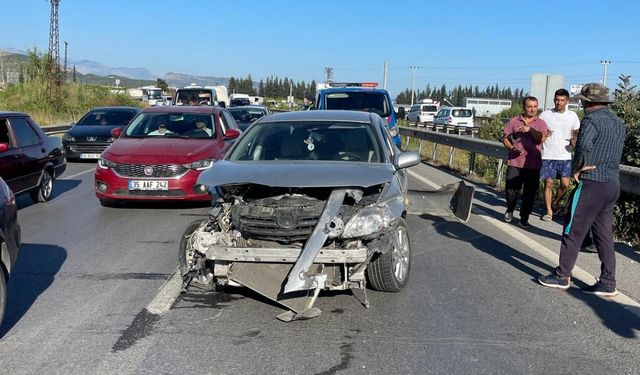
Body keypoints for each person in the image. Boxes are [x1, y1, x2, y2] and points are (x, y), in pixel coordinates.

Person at [538, 83, 626, 296]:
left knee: (572, 228)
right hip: (612, 183)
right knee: (603, 234)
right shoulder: (618, 122)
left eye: (583, 101)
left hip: (592, 183)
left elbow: (584, 146)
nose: (582, 104)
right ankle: (608, 281)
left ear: (589, 102)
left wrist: (576, 169)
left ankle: (561, 275)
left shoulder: (591, 120)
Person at [502, 96, 548, 227]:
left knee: (530, 193)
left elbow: (541, 139)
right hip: (515, 162)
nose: (532, 109)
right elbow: (505, 137)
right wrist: (511, 147)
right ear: (524, 107)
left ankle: (524, 218)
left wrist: (530, 130)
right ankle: (510, 209)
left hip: (533, 164)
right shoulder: (514, 121)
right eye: (529, 107)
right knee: (511, 191)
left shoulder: (541, 123)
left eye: (535, 106)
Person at [538, 89, 581, 221]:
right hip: (548, 154)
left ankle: (556, 202)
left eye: (562, 100)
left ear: (567, 101)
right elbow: (538, 130)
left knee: (565, 184)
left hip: (565, 155)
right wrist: (544, 134)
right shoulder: (545, 115)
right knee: (549, 182)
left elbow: (577, 134)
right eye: (557, 100)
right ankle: (549, 212)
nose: (559, 103)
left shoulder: (573, 116)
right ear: (554, 100)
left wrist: (574, 142)